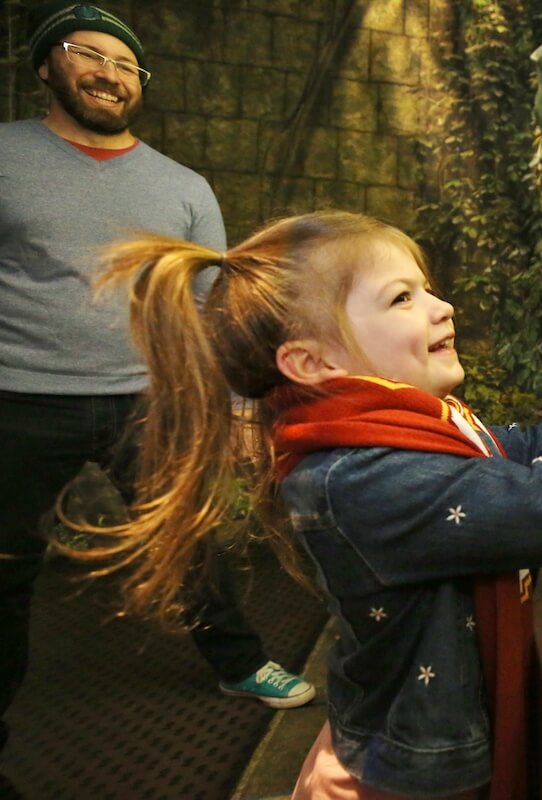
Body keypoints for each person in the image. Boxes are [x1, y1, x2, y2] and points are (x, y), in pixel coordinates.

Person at [90, 209, 542, 799]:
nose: (443, 307)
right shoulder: (357, 475)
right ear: (313, 362)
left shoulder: (404, 425)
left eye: (426, 288)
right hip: (407, 771)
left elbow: (515, 448)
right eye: (403, 297)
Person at [0, 0, 315, 754]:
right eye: (88, 53)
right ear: (47, 65)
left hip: (151, 398)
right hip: (18, 397)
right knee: (6, 566)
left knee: (192, 538)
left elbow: (214, 308)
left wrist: (238, 404)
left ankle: (239, 665)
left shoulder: (184, 186)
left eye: (125, 64)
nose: (108, 74)